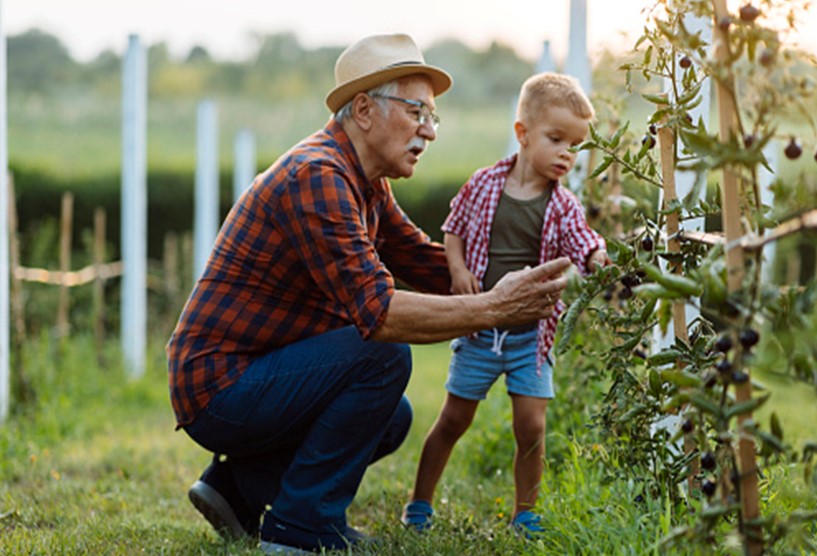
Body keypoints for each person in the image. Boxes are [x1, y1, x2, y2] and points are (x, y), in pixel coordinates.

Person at [166, 34, 571, 554]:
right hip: (219, 387)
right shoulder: (318, 176)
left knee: (391, 417)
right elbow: (378, 314)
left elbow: (427, 260)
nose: (429, 130)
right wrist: (496, 307)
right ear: (363, 110)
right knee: (381, 355)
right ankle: (300, 527)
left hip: (252, 375)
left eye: (434, 116)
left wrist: (525, 281)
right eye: (416, 111)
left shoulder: (365, 181)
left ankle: (240, 489)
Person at [401, 72, 609, 538]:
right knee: (454, 419)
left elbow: (584, 240)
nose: (566, 155)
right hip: (478, 330)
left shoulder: (564, 204)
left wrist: (597, 256)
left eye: (574, 147)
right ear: (523, 133)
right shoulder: (485, 183)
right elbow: (453, 227)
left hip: (531, 336)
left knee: (531, 426)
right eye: (556, 140)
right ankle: (419, 502)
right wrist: (457, 270)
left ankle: (525, 512)